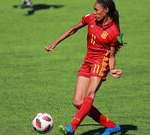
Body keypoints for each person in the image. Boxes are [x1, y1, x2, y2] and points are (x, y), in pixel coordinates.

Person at [45, 0, 124, 134]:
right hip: (87, 61)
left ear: (106, 10)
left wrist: (111, 70)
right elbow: (73, 29)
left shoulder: (114, 32)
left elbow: (111, 55)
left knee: (89, 94)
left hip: (101, 63)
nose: (94, 12)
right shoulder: (91, 18)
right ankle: (111, 125)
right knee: (77, 102)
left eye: (96, 10)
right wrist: (55, 42)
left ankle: (72, 127)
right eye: (93, 9)